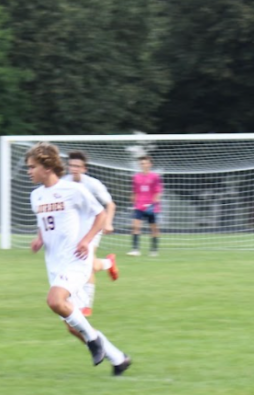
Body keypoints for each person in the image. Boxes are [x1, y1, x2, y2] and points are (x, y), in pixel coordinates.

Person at [27, 142, 131, 376]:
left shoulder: (74, 190)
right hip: (54, 264)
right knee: (71, 326)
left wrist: (86, 241)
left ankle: (94, 340)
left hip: (77, 261)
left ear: (46, 166)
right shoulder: (35, 196)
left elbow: (101, 214)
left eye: (32, 166)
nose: (29, 171)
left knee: (54, 300)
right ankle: (119, 359)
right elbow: (46, 222)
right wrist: (39, 238)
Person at [62, 150, 119, 316]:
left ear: (84, 168)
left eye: (78, 166)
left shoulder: (93, 184)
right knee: (89, 265)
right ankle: (109, 262)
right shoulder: (64, 183)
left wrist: (108, 222)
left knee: (86, 265)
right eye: (71, 165)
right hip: (74, 230)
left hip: (93, 226)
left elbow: (111, 204)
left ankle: (86, 305)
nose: (74, 168)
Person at [129, 155, 163, 257]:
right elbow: (135, 192)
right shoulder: (136, 177)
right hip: (139, 206)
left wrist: (153, 204)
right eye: (142, 163)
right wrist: (133, 203)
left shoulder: (155, 177)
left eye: (145, 163)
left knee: (154, 229)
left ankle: (154, 250)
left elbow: (158, 192)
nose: (143, 165)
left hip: (151, 206)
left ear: (150, 164)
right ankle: (135, 249)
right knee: (135, 226)